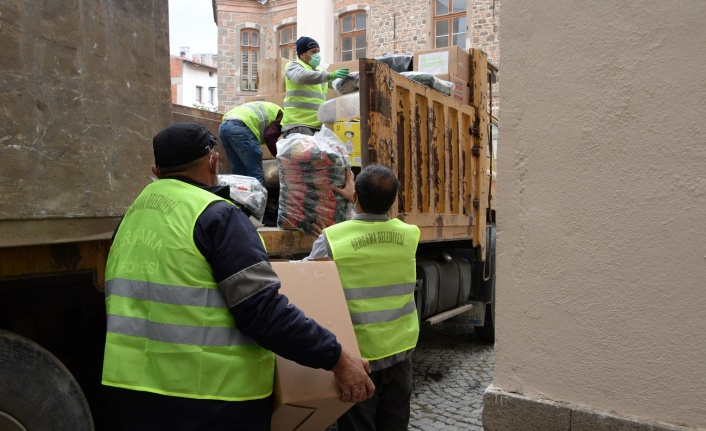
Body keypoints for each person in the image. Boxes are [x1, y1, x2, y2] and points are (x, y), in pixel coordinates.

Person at [102, 122, 375, 431]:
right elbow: (262, 312)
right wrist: (337, 359)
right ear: (213, 161)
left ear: (156, 170)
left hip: (132, 393)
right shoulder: (217, 216)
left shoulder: (130, 218)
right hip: (209, 401)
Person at [305, 165, 421, 431]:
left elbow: (306, 277)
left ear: (355, 196)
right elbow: (376, 229)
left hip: (358, 359)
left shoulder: (333, 238)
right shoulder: (410, 235)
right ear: (393, 202)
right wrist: (356, 200)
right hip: (400, 354)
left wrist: (327, 237)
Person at [281, 36, 350, 137]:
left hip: (317, 126)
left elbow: (339, 85)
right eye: (313, 51)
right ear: (302, 55)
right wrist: (330, 75)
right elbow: (301, 77)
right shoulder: (293, 66)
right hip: (299, 125)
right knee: (306, 153)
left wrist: (356, 81)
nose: (317, 54)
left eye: (318, 51)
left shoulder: (319, 73)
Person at [219, 101, 283, 186]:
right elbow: (270, 136)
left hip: (224, 127)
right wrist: (280, 158)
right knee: (255, 174)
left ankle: (241, 198)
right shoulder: (283, 116)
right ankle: (258, 198)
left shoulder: (272, 108)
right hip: (241, 127)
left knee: (239, 173)